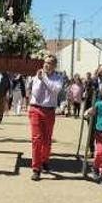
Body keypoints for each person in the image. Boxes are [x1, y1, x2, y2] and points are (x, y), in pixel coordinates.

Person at [28, 53, 63, 181]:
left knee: (47, 139)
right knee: (36, 139)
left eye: (49, 63)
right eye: (45, 62)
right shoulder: (37, 76)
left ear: (54, 65)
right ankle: (36, 168)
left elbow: (55, 90)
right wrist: (38, 79)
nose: (46, 65)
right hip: (36, 109)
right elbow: (35, 93)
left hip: (49, 111)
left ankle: (45, 159)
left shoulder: (58, 78)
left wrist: (45, 79)